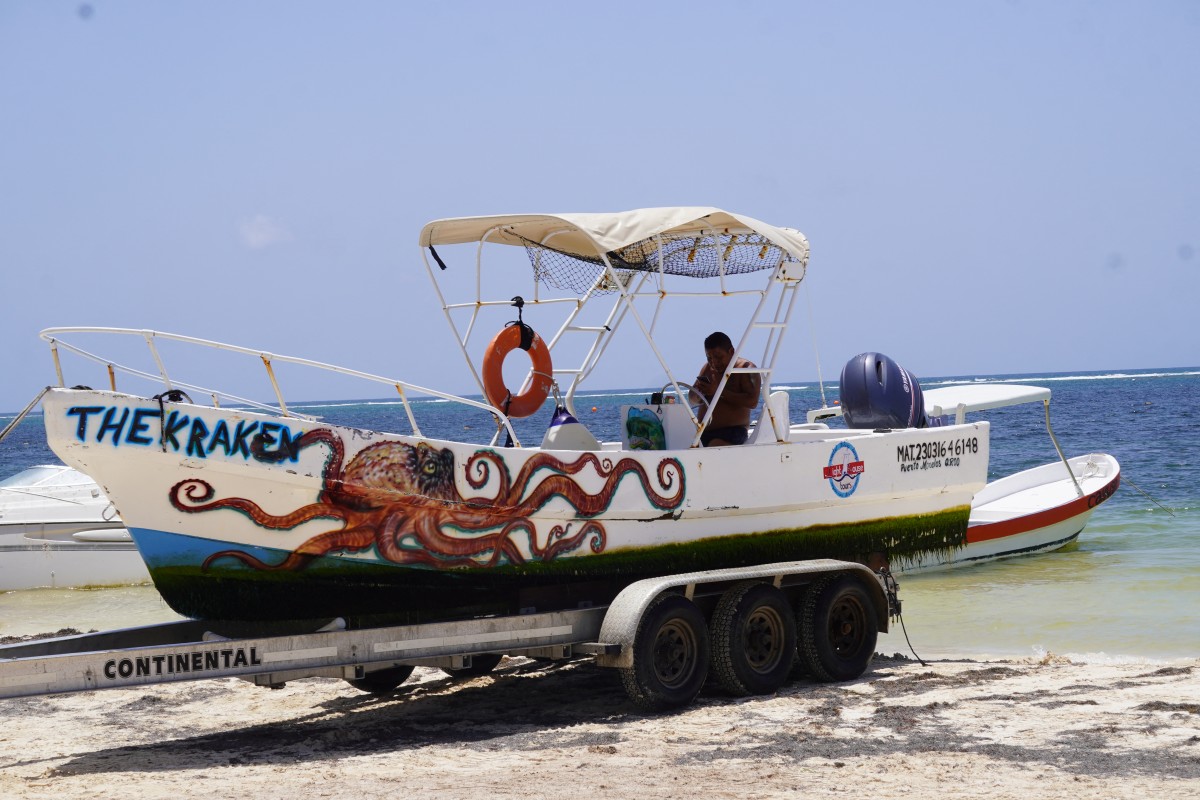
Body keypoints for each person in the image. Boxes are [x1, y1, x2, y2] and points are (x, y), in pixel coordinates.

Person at [688, 331, 761, 446]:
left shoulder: (746, 369)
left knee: (714, 446)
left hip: (732, 433)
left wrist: (718, 392)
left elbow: (752, 402)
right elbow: (692, 399)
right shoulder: (707, 369)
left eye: (718, 357)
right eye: (709, 358)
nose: (714, 362)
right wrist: (698, 395)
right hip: (702, 432)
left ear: (731, 352)